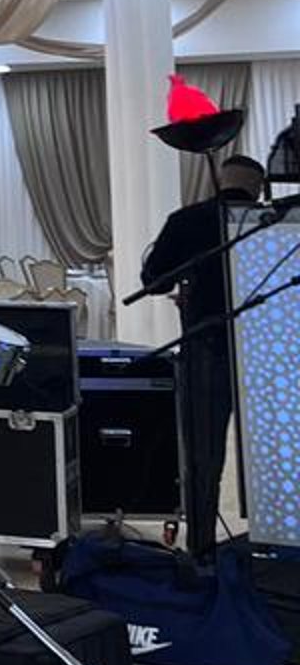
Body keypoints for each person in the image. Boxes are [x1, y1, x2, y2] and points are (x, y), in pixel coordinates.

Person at [140, 153, 267, 560]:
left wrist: (188, 286)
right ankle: (275, 542)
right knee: (276, 450)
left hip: (205, 347)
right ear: (259, 187)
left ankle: (202, 549)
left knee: (203, 455)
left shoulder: (186, 221)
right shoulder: (270, 222)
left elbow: (153, 281)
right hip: (269, 351)